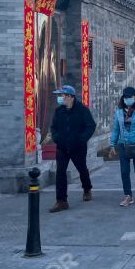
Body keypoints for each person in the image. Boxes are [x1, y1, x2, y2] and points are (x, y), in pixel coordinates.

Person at [49, 85, 96, 213]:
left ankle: (87, 189)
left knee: (82, 169)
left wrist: (81, 139)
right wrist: (56, 137)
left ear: (70, 97)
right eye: (59, 96)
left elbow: (91, 126)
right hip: (62, 147)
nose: (60, 98)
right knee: (60, 173)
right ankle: (61, 201)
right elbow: (53, 127)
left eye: (62, 95)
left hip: (78, 147)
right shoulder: (59, 111)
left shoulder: (82, 110)